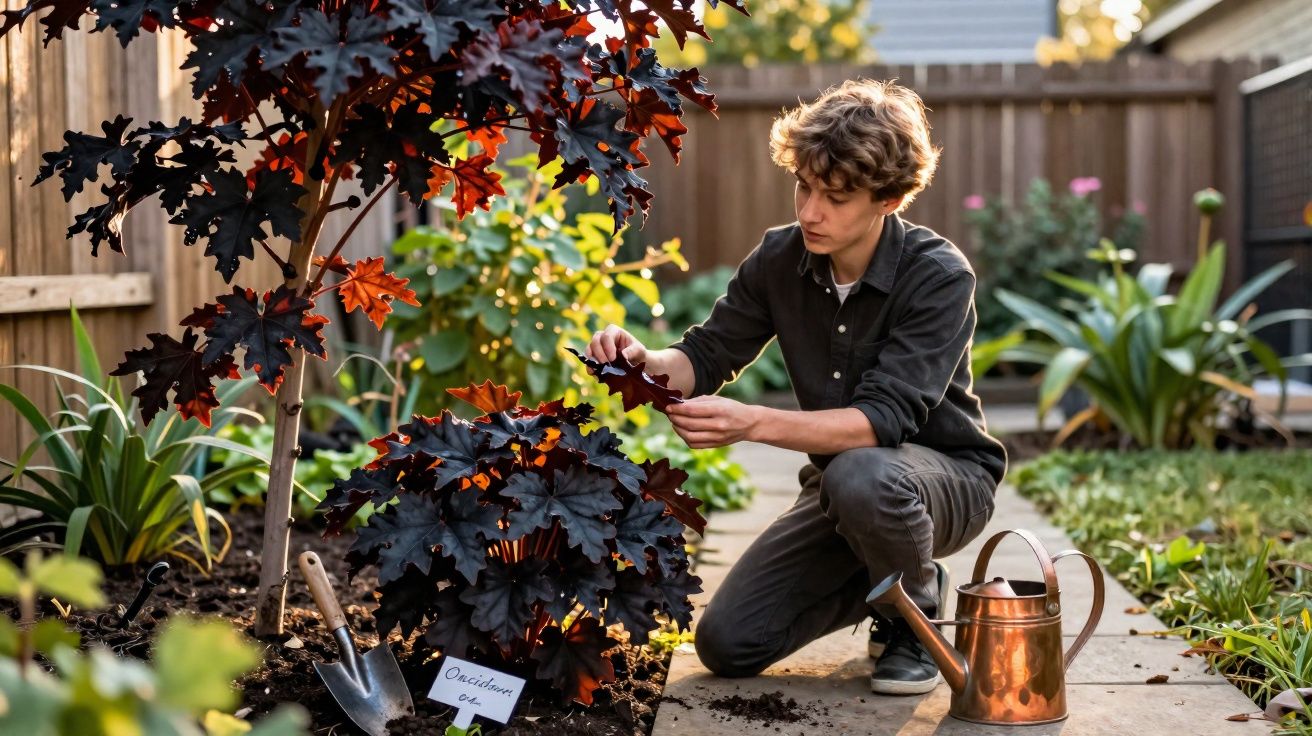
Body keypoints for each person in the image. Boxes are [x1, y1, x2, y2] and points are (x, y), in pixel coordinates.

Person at [585, 79, 1007, 695]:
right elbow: (705, 354)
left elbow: (878, 424)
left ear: (887, 199)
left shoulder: (938, 276)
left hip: (944, 483)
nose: (810, 211)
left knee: (862, 473)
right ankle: (890, 573)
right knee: (728, 644)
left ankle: (912, 619)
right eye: (804, 186)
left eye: (835, 196)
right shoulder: (780, 259)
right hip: (845, 490)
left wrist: (751, 422)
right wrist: (640, 359)